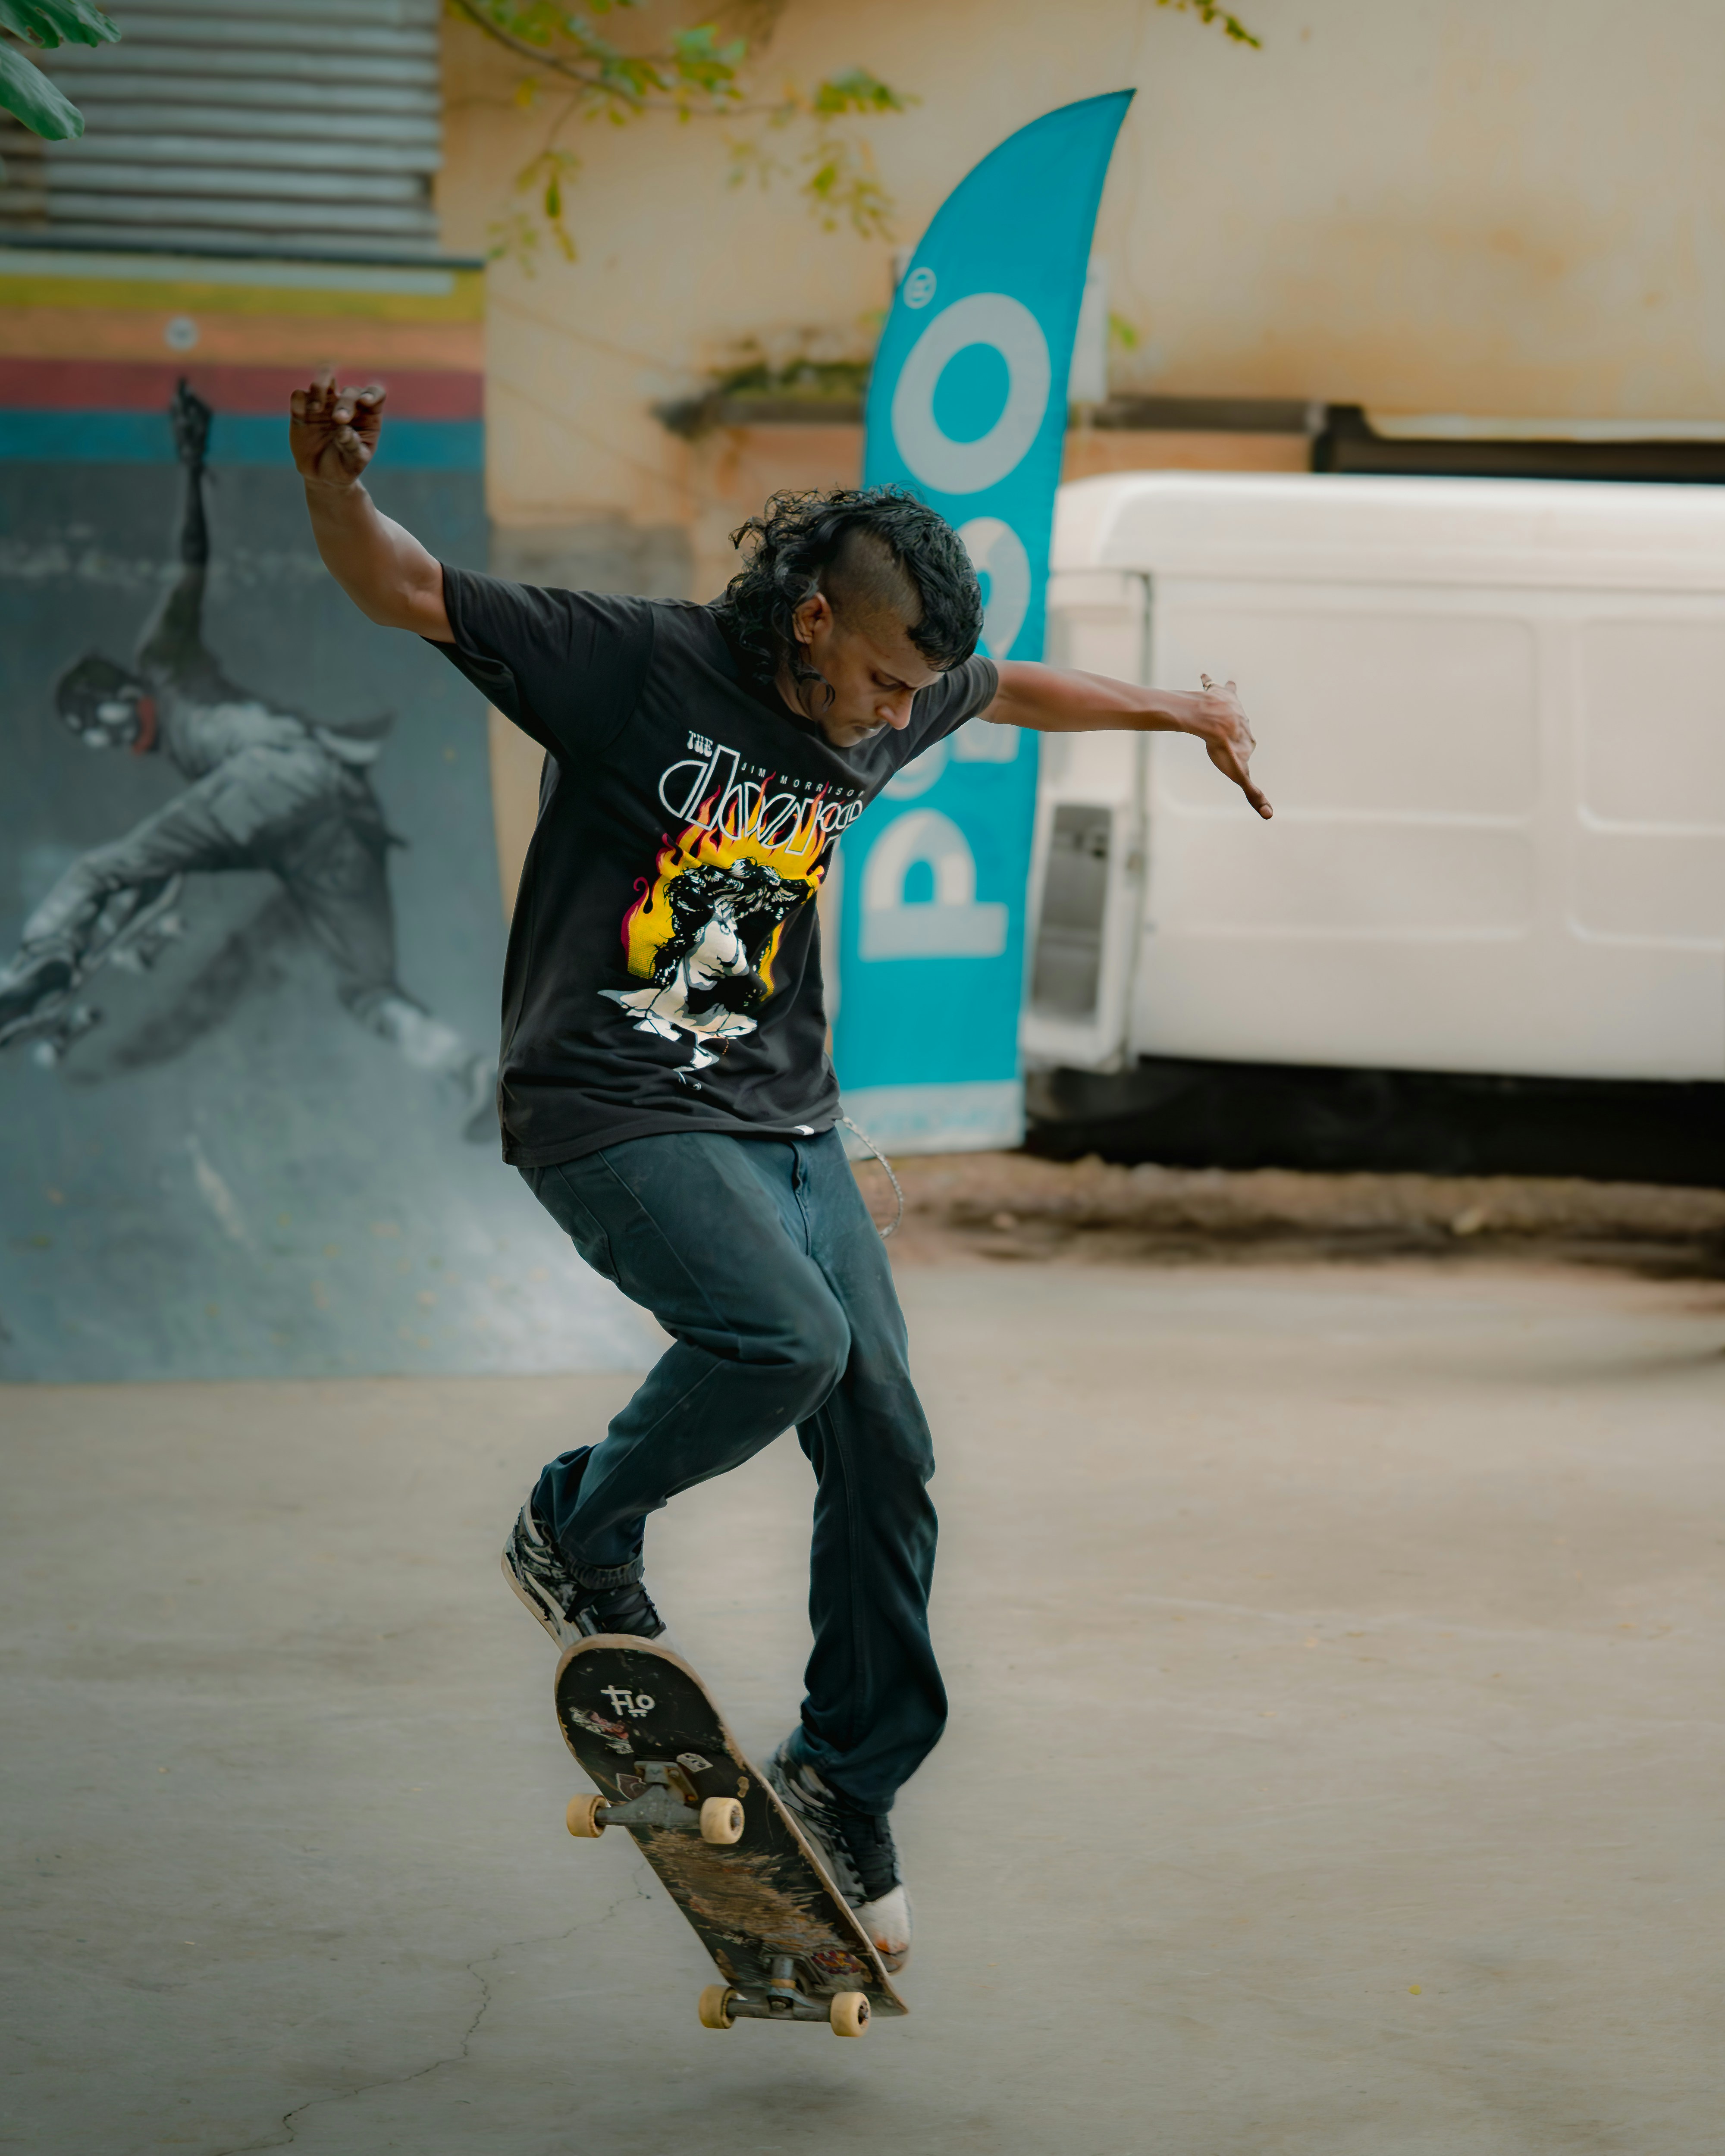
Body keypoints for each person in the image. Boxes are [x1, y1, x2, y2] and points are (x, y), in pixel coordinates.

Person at [288, 367, 1270, 1973]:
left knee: (886, 1444)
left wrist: (1179, 711)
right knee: (786, 1342)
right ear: (813, 620)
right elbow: (404, 586)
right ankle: (579, 1526)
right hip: (612, 1104)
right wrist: (335, 487)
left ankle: (844, 1779)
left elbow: (1007, 688)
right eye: (878, 679)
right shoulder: (632, 664)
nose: (892, 717)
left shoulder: (899, 691)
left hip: (788, 1119)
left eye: (909, 693)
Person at [0, 381, 496, 1139]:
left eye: (102, 723)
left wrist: (193, 467)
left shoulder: (163, 661)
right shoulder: (197, 765)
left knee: (100, 870)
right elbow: (168, 869)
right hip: (341, 819)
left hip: (274, 778)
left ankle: (28, 968)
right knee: (366, 990)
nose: (109, 743)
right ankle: (471, 1071)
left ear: (126, 691)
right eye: (92, 740)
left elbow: (190, 567)